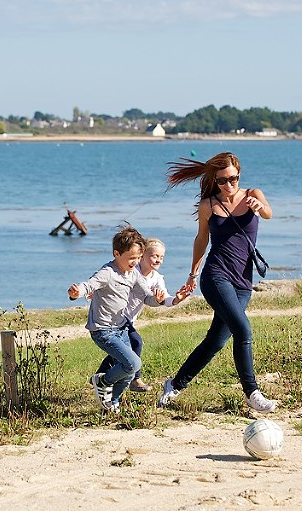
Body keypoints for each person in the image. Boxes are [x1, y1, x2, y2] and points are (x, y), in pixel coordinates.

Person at [158, 152, 276, 413]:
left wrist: (259, 207)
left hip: (243, 281)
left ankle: (174, 384)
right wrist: (192, 274)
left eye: (233, 179)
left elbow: (268, 213)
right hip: (215, 276)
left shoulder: (253, 195)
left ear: (239, 175)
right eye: (222, 181)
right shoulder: (208, 205)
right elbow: (201, 240)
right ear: (215, 180)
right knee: (243, 329)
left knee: (216, 340)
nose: (228, 185)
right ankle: (252, 392)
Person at [67, 226, 163, 412]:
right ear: (117, 253)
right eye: (131, 258)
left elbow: (147, 297)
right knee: (133, 363)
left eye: (138, 258)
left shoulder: (134, 273)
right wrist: (76, 293)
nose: (135, 262)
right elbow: (89, 285)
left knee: (129, 372)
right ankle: (102, 381)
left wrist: (158, 300)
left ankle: (113, 403)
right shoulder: (108, 272)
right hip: (102, 330)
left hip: (121, 328)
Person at [95, 238, 191, 392]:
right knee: (136, 342)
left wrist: (176, 299)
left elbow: (164, 298)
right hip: (117, 317)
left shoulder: (157, 278)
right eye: (154, 256)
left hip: (128, 319)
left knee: (124, 349)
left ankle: (100, 375)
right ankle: (135, 379)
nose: (158, 259)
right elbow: (112, 279)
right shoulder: (132, 270)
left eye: (161, 257)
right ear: (142, 255)